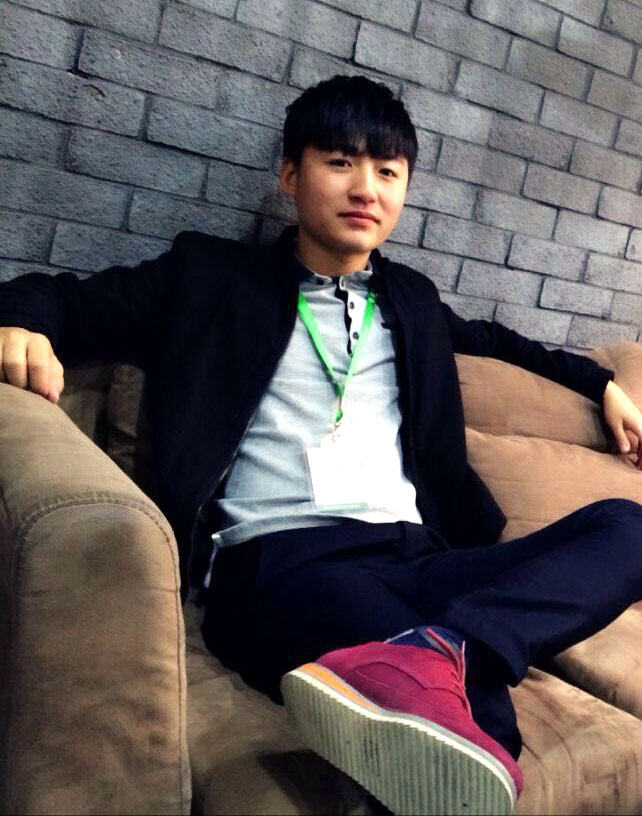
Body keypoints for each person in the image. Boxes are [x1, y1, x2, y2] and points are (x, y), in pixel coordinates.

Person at [1, 75, 642, 815]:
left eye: (388, 172)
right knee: (478, 717)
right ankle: (448, 661)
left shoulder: (413, 302)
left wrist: (602, 384)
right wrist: (20, 323)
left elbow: (501, 342)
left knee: (627, 526)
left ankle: (446, 648)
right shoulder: (212, 277)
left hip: (421, 559)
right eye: (340, 162)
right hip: (282, 560)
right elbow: (60, 296)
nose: (366, 188)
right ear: (290, 176)